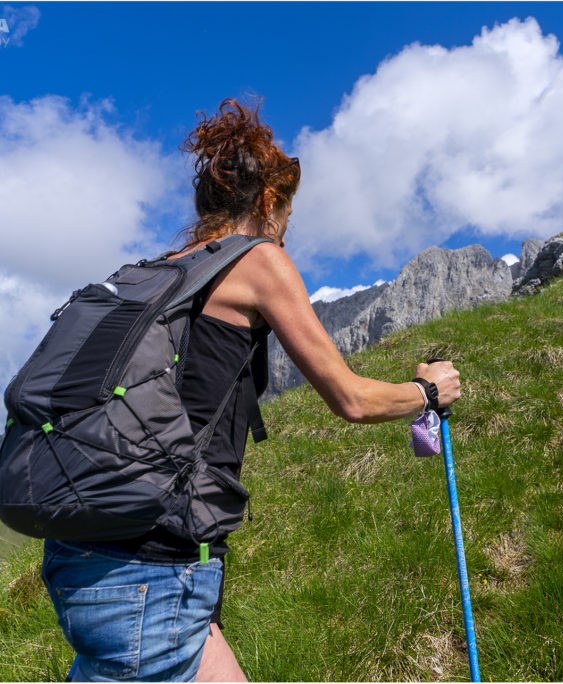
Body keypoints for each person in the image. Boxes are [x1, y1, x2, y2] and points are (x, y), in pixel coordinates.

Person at [40, 98, 461, 682]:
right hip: (150, 574)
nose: (286, 231)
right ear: (269, 203)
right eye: (287, 214)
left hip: (80, 554)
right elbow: (353, 400)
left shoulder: (163, 272)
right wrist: (427, 391)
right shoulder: (260, 261)